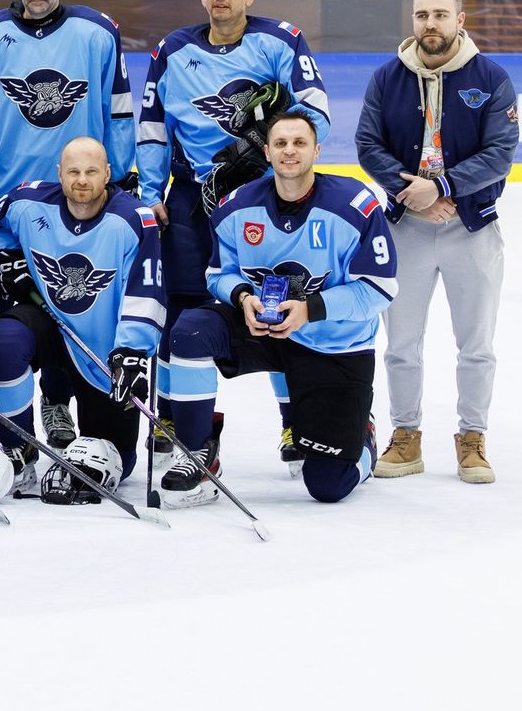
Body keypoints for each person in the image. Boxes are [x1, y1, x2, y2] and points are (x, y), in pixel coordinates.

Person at [136, 0, 330, 463]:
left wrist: (262, 150)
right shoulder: (173, 49)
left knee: (278, 301)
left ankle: (294, 421)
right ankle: (176, 415)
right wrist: (151, 194)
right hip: (191, 198)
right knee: (180, 308)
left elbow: (315, 113)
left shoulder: (281, 40)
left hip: (265, 199)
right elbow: (153, 128)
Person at [161, 112, 394, 506]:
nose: (290, 151)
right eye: (281, 143)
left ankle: (363, 438)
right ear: (267, 152)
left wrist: (310, 310)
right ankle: (198, 452)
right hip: (265, 331)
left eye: (300, 143)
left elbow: (379, 289)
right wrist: (242, 298)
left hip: (333, 344)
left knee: (328, 485)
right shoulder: (236, 207)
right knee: (190, 330)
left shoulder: (355, 205)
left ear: (317, 151)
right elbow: (217, 274)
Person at [355, 0, 515, 484]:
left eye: (441, 15)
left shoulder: (491, 78)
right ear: (413, 20)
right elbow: (367, 145)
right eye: (422, 15)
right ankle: (406, 435)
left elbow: (500, 153)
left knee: (477, 344)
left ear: (459, 21)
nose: (431, 24)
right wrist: (414, 195)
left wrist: (442, 187)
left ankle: (473, 438)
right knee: (401, 344)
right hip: (406, 228)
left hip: (472, 228)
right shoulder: (387, 78)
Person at [0, 137, 165, 500]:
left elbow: (147, 291)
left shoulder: (134, 220)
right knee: (3, 341)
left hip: (102, 348)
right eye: (74, 171)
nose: (82, 180)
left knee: (118, 461)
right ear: (60, 173)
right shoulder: (27, 202)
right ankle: (18, 447)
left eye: (91, 171)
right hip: (47, 322)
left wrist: (132, 351)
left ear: (108, 174)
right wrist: (6, 255)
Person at [0, 0, 134, 208]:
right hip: (2, 195)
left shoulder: (99, 33)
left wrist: (117, 180)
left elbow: (119, 115)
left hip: (80, 196)